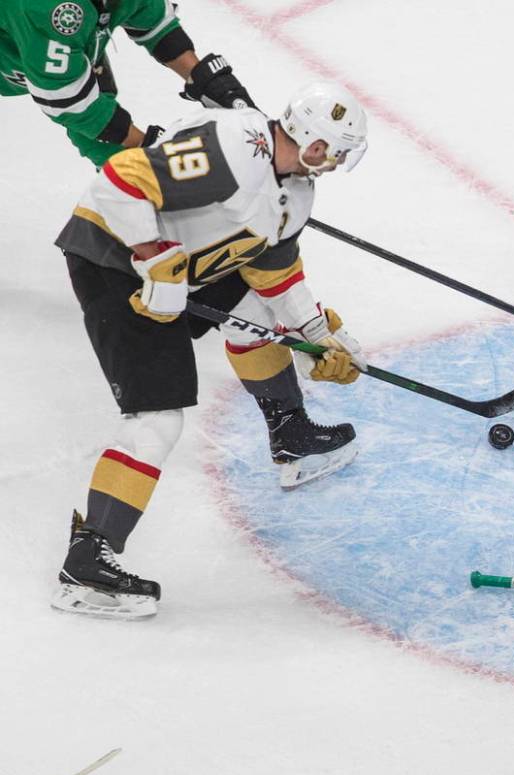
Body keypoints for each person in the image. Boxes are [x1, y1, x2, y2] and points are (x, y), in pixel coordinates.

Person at [51, 81, 370, 620]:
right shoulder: (235, 147)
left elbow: (274, 274)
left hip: (186, 268)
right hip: (112, 261)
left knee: (262, 315)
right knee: (156, 420)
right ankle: (85, 562)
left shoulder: (296, 191)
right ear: (313, 141)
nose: (335, 162)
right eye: (334, 150)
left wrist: (318, 339)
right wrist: (153, 258)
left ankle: (289, 434)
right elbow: (119, 182)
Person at [0, 0, 253, 166]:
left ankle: (131, 192)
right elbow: (73, 106)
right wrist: (147, 148)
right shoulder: (46, 9)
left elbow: (154, 22)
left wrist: (208, 81)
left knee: (101, 105)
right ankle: (128, 196)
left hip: (39, 51)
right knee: (100, 119)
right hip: (18, 61)